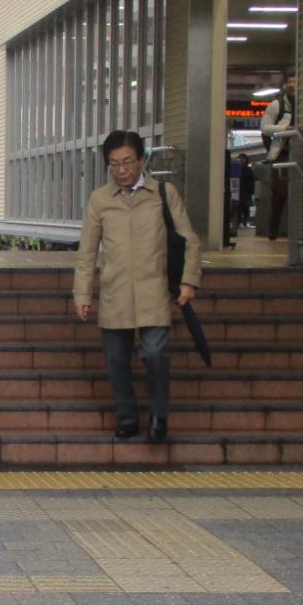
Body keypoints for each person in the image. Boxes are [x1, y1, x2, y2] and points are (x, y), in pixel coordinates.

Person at [73, 131, 203, 444]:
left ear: (142, 161)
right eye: (114, 164)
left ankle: (159, 417)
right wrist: (82, 293)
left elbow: (190, 240)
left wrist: (188, 281)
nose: (121, 170)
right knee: (117, 360)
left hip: (153, 289)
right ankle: (128, 418)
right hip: (115, 292)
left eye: (128, 162)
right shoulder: (100, 200)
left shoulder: (163, 193)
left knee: (156, 353)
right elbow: (87, 251)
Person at [258, 71, 298, 240]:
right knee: (280, 193)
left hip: (300, 153)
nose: (293, 86)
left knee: (297, 193)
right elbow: (265, 128)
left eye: (296, 83)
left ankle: (294, 231)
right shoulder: (276, 106)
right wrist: (283, 129)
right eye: (290, 83)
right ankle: (273, 230)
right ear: (284, 86)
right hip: (282, 153)